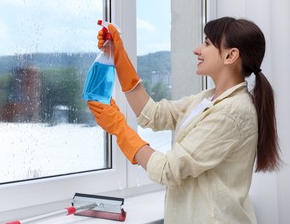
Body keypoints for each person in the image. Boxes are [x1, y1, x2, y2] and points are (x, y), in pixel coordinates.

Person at [87, 17, 281, 223]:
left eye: (207, 44)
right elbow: (153, 114)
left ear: (230, 55)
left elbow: (167, 170)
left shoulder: (232, 112)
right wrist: (118, 55)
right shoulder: (208, 98)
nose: (197, 50)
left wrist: (119, 128)